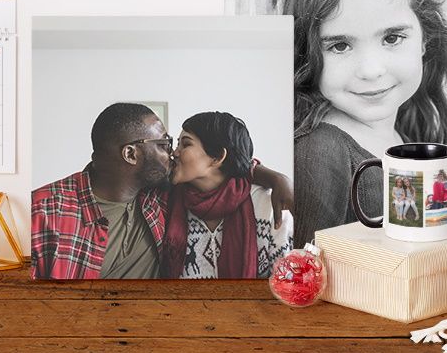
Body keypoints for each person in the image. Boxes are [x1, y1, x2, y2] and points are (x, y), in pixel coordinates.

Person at [285, 0, 447, 248]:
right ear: (307, 53)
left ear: (424, 38)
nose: (372, 70)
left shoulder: (405, 140)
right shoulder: (319, 153)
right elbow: (307, 278)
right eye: (340, 45)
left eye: (392, 38)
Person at [31, 103, 293, 280]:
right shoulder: (44, 211)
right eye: (164, 143)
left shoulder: (162, 196)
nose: (172, 152)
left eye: (179, 144)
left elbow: (228, 169)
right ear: (131, 154)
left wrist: (276, 178)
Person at [161, 111, 293, 279]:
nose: (174, 152)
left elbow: (288, 284)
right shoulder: (166, 204)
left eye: (185, 144)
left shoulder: (268, 207)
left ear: (217, 157)